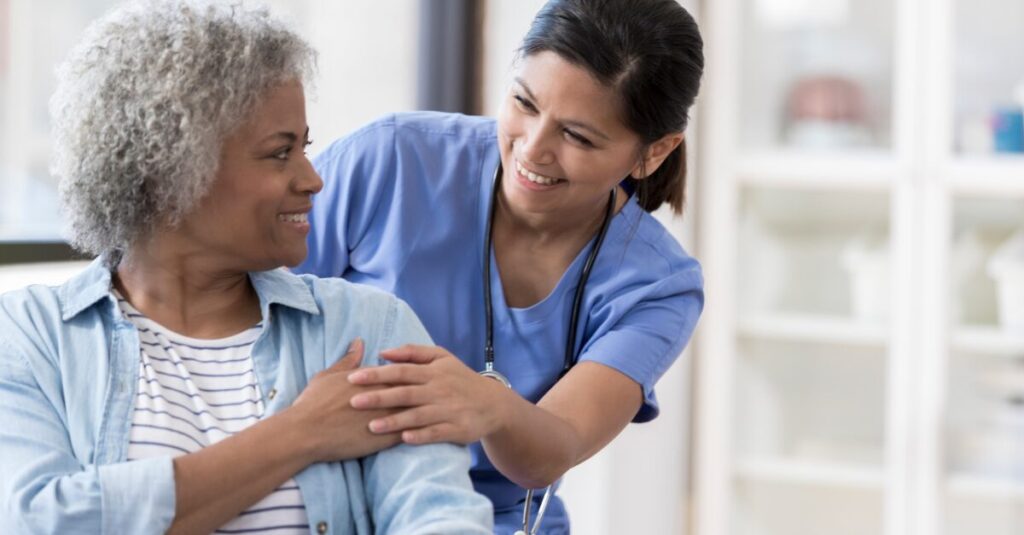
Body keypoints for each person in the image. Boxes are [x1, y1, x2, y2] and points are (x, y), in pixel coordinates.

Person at [0, 1, 493, 533]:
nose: (312, 179)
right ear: (171, 174)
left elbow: (444, 521)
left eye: (305, 147)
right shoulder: (32, 337)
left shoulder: (369, 331)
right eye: (280, 153)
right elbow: (41, 520)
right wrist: (300, 432)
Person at [294, 0, 705, 532]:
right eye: (524, 103)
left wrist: (490, 405)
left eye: (577, 137)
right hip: (328, 500)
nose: (533, 150)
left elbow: (548, 453)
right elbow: (245, 303)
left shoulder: (658, 286)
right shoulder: (393, 159)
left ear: (654, 152)